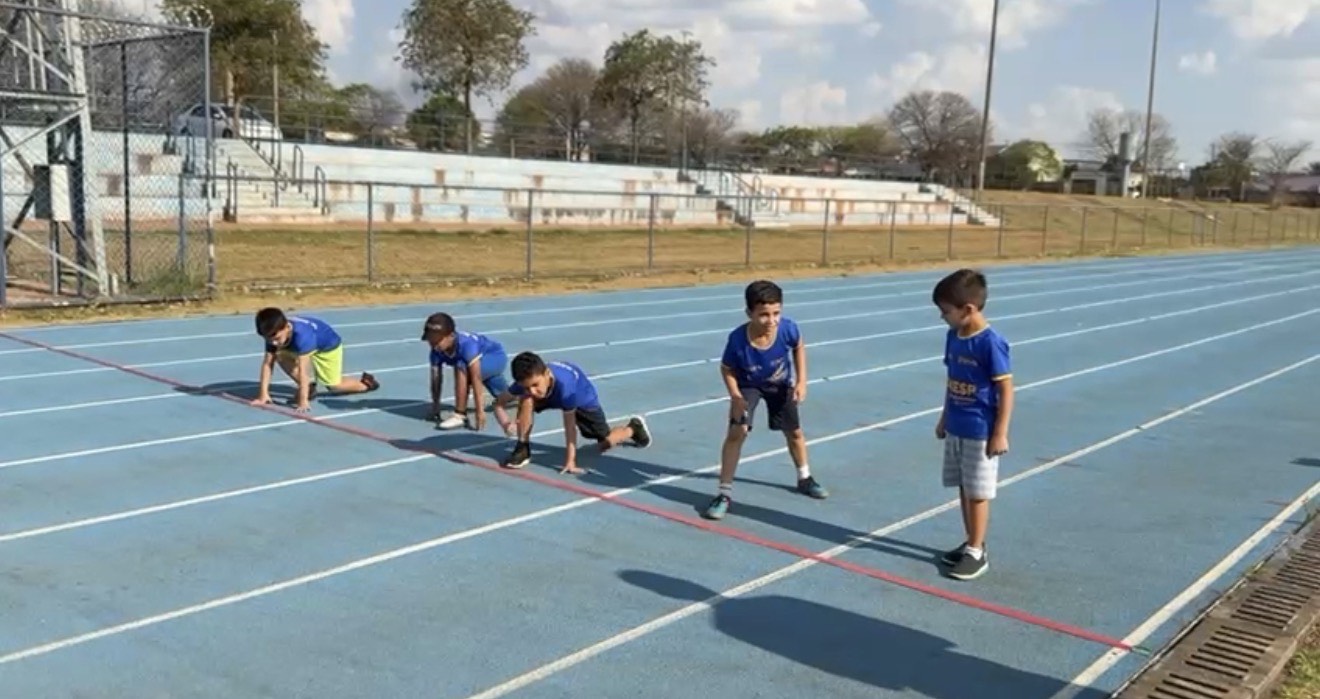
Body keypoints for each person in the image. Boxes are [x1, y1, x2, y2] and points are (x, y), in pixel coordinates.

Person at [702, 280, 827, 521]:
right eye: (764, 315)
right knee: (737, 432)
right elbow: (726, 369)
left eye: (776, 313)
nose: (771, 321)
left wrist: (802, 381)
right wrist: (736, 397)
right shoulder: (737, 340)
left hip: (780, 385)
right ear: (749, 313)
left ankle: (804, 477)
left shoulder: (788, 329)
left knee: (795, 432)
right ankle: (724, 494)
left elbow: (799, 347)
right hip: (748, 385)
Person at [932, 268, 1014, 581]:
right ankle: (970, 542)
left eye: (945, 311)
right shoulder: (953, 337)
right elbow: (951, 379)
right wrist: (944, 418)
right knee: (964, 486)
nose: (942, 317)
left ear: (968, 309)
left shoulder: (990, 343)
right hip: (957, 425)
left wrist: (1000, 432)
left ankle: (977, 551)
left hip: (981, 431)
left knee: (978, 492)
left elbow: (1006, 389)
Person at [493, 351, 651, 474]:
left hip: (583, 400)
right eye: (527, 387)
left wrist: (570, 461)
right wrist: (505, 423)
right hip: (551, 394)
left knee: (604, 442)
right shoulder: (527, 382)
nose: (533, 391)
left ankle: (633, 428)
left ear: (546, 374)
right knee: (526, 398)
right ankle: (522, 448)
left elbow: (570, 427)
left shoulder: (566, 387)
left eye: (535, 385)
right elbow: (498, 404)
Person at [251, 307, 379, 413]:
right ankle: (309, 387)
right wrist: (263, 395)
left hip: (327, 346)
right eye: (268, 339)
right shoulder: (273, 333)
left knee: (334, 386)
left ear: (286, 328)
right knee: (279, 355)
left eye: (277, 338)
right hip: (304, 342)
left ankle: (366, 384)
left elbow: (304, 371)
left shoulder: (302, 336)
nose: (273, 342)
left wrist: (303, 401)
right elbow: (267, 364)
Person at [420, 311, 515, 431]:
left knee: (461, 366)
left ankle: (460, 415)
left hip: (494, 357)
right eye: (430, 341)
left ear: (451, 336)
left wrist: (480, 411)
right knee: (506, 395)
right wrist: (435, 406)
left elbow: (476, 378)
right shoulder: (436, 351)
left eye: (437, 341)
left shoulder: (466, 345)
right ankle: (519, 393)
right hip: (481, 364)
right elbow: (436, 379)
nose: (434, 345)